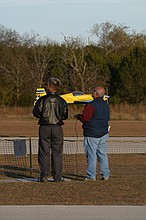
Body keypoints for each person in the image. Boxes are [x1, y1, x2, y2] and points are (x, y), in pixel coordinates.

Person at [33, 78, 68, 182]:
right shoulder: (62, 101)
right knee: (57, 152)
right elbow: (65, 115)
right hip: (57, 127)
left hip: (44, 127)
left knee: (44, 151)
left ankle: (44, 175)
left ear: (49, 86)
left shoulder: (42, 100)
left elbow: (36, 113)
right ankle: (57, 176)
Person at [74, 86, 110, 181]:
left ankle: (91, 175)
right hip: (103, 133)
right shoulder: (106, 105)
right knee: (102, 154)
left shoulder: (91, 105)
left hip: (91, 133)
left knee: (91, 155)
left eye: (93, 92)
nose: (91, 93)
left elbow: (85, 118)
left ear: (96, 94)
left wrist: (79, 117)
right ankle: (105, 174)